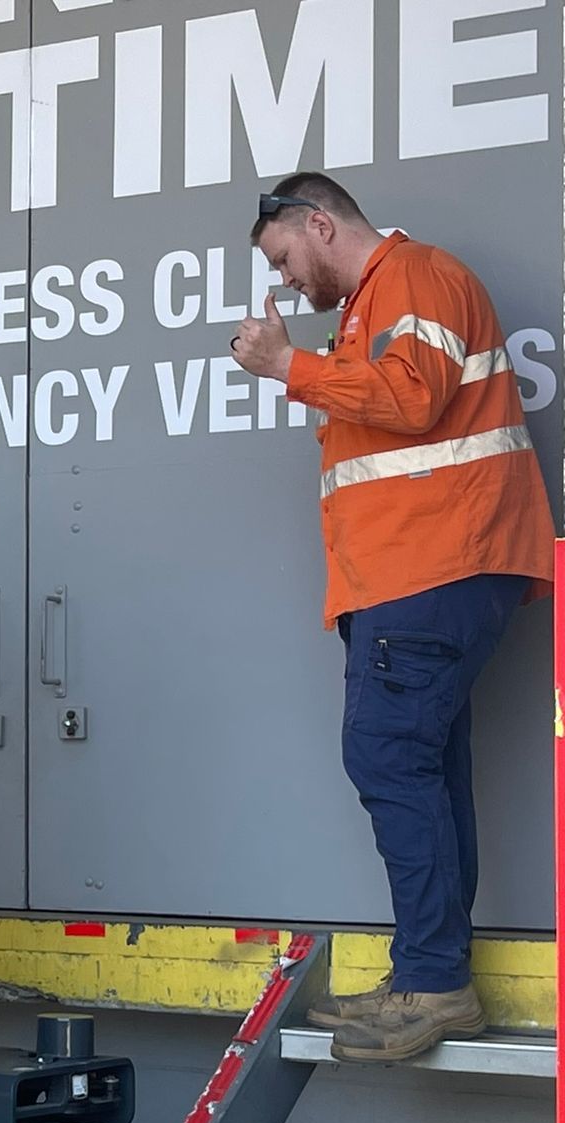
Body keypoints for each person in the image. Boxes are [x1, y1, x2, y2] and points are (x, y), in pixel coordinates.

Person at [233, 172, 553, 1063]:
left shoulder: (414, 279)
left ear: (320, 224)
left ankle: (436, 980)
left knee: (386, 752)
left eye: (285, 258)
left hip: (432, 568)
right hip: (420, 573)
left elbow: (414, 401)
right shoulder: (375, 306)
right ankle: (429, 969)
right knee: (424, 762)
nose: (288, 281)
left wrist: (285, 366)